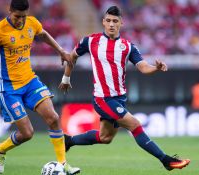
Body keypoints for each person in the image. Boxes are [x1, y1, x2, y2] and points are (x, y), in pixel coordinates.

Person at [59, 6, 190, 171]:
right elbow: (72, 57)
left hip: (119, 99)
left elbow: (143, 67)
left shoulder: (128, 47)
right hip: (103, 99)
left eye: (115, 21)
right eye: (108, 21)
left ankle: (68, 141)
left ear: (121, 23)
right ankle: (166, 161)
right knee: (135, 125)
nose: (111, 24)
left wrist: (155, 67)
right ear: (103, 22)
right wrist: (66, 78)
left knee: (105, 137)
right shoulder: (90, 41)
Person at [0, 0, 80, 174]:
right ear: (9, 11)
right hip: (9, 88)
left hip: (29, 81)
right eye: (17, 17)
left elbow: (44, 34)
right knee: (27, 133)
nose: (21, 21)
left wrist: (61, 50)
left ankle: (63, 164)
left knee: (54, 118)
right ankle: (0, 149)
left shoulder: (31, 22)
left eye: (23, 16)